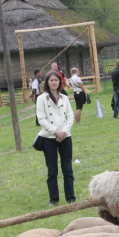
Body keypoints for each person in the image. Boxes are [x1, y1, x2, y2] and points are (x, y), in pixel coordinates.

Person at [35, 70, 75, 207]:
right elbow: (41, 119)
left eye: (56, 80)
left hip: (65, 137)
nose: (54, 82)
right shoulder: (41, 99)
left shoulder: (64, 98)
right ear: (47, 82)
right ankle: (54, 199)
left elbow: (70, 117)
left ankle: (70, 198)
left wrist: (63, 132)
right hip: (49, 138)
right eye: (51, 80)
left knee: (67, 169)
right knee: (52, 171)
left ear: (60, 82)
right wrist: (55, 132)